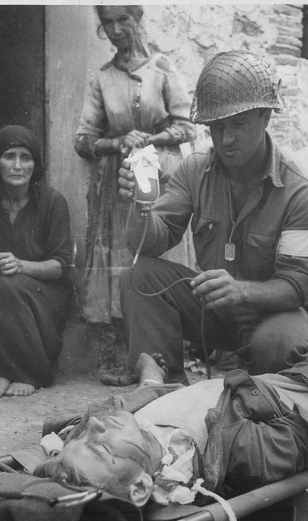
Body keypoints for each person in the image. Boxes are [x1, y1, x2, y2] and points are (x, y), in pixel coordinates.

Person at [35, 305, 308, 505]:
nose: (94, 429)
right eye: (100, 447)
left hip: (285, 380)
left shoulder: (132, 427)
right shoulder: (236, 451)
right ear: (140, 488)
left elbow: (146, 400)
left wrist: (150, 378)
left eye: (81, 435)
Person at [117, 50, 308, 384]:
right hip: (214, 310)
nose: (226, 140)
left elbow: (298, 285)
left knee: (277, 344)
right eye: (216, 127)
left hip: (274, 315)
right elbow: (151, 244)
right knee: (137, 276)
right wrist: (141, 208)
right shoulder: (195, 169)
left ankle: (261, 389)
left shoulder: (302, 191)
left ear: (265, 117)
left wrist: (240, 291)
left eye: (238, 126)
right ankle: (163, 385)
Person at [74, 5, 196, 381]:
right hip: (117, 181)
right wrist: (118, 141)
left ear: (137, 19)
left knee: (157, 251)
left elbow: (187, 126)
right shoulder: (102, 78)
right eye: (107, 22)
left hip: (163, 173)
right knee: (118, 264)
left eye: (122, 20)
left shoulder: (162, 68)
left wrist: (152, 138)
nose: (114, 29)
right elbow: (83, 139)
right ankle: (125, 359)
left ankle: (168, 353)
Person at [0, 125, 74, 398]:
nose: (18, 165)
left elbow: (60, 266)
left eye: (25, 157)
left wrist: (20, 265)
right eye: (9, 156)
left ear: (35, 164)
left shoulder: (53, 203)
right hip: (0, 294)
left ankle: (26, 372)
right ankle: (5, 370)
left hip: (47, 295)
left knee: (8, 285)